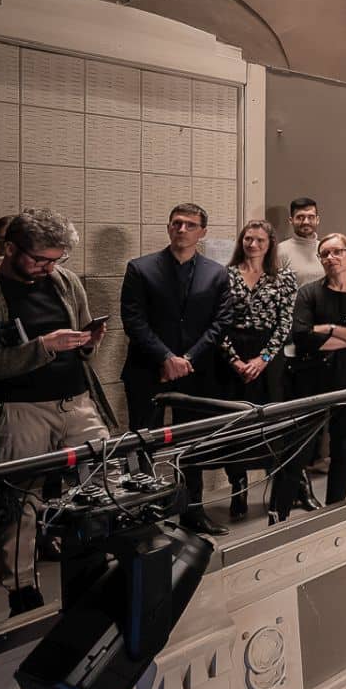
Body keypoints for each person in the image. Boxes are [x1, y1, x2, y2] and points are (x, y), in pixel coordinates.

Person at [0, 208, 108, 615]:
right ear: (9, 248)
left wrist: (88, 342)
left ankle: (98, 565)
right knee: (20, 500)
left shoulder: (65, 281)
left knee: (104, 476)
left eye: (56, 259)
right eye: (39, 260)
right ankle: (21, 589)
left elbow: (81, 341)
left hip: (75, 400)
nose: (48, 268)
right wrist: (44, 347)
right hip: (20, 408)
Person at [120, 202, 233, 537]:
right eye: (176, 223)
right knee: (142, 443)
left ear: (203, 232)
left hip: (196, 372)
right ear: (169, 227)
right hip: (147, 370)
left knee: (193, 443)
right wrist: (166, 357)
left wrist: (188, 359)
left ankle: (192, 510)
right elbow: (133, 320)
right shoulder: (140, 268)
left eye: (190, 224)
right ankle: (143, 515)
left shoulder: (217, 273)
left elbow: (221, 322)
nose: (182, 229)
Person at [286, 233, 346, 508]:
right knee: (299, 450)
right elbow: (302, 336)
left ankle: (335, 511)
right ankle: (279, 514)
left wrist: (329, 329)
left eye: (338, 251)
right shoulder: (309, 293)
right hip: (311, 379)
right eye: (325, 254)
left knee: (344, 450)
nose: (331, 258)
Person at [217, 220, 297, 521]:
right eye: (248, 239)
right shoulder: (224, 275)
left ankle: (277, 488)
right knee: (235, 424)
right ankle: (238, 486)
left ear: (270, 243)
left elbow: (285, 323)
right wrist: (234, 360)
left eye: (259, 240)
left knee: (270, 423)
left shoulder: (284, 277)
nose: (253, 245)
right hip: (232, 355)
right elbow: (217, 321)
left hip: (268, 357)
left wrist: (263, 359)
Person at [278, 197, 324, 287]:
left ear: (317, 220)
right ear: (291, 220)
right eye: (300, 217)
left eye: (311, 217)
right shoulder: (280, 251)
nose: (306, 222)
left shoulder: (326, 249)